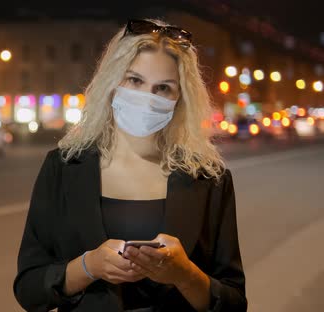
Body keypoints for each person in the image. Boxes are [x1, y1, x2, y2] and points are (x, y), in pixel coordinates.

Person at [13, 19, 247, 311]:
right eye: (134, 80)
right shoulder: (64, 167)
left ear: (180, 98)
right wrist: (88, 267)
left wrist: (185, 275)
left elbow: (234, 302)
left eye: (163, 88)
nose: (147, 98)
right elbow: (29, 289)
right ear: (112, 82)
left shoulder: (208, 178)